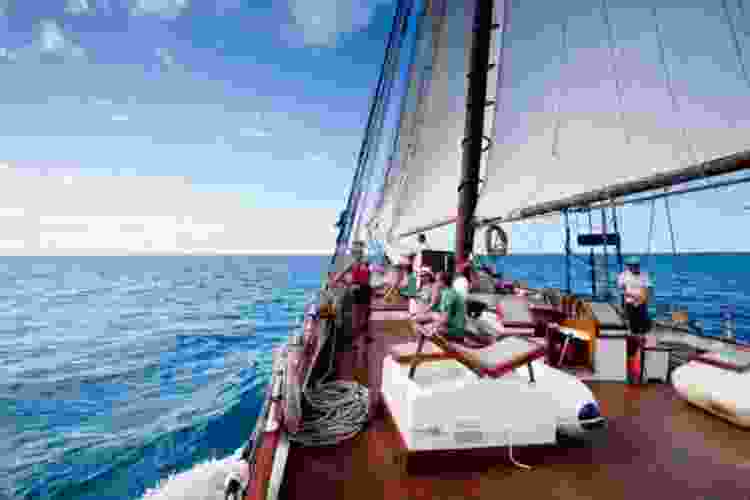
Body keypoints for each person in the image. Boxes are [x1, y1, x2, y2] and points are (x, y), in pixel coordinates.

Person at [412, 271, 492, 347]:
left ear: (442, 282)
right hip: (459, 326)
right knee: (428, 320)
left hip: (456, 329)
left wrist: (432, 327)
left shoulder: (447, 295)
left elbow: (444, 319)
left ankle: (422, 345)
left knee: (428, 327)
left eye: (437, 281)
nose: (436, 283)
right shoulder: (449, 292)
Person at [331, 241, 372, 342]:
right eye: (356, 251)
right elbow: (341, 275)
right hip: (357, 290)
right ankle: (356, 337)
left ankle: (365, 335)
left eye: (360, 251)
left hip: (366, 289)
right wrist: (337, 282)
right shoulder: (352, 264)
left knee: (366, 313)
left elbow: (368, 275)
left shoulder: (365, 262)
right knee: (357, 315)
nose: (359, 253)